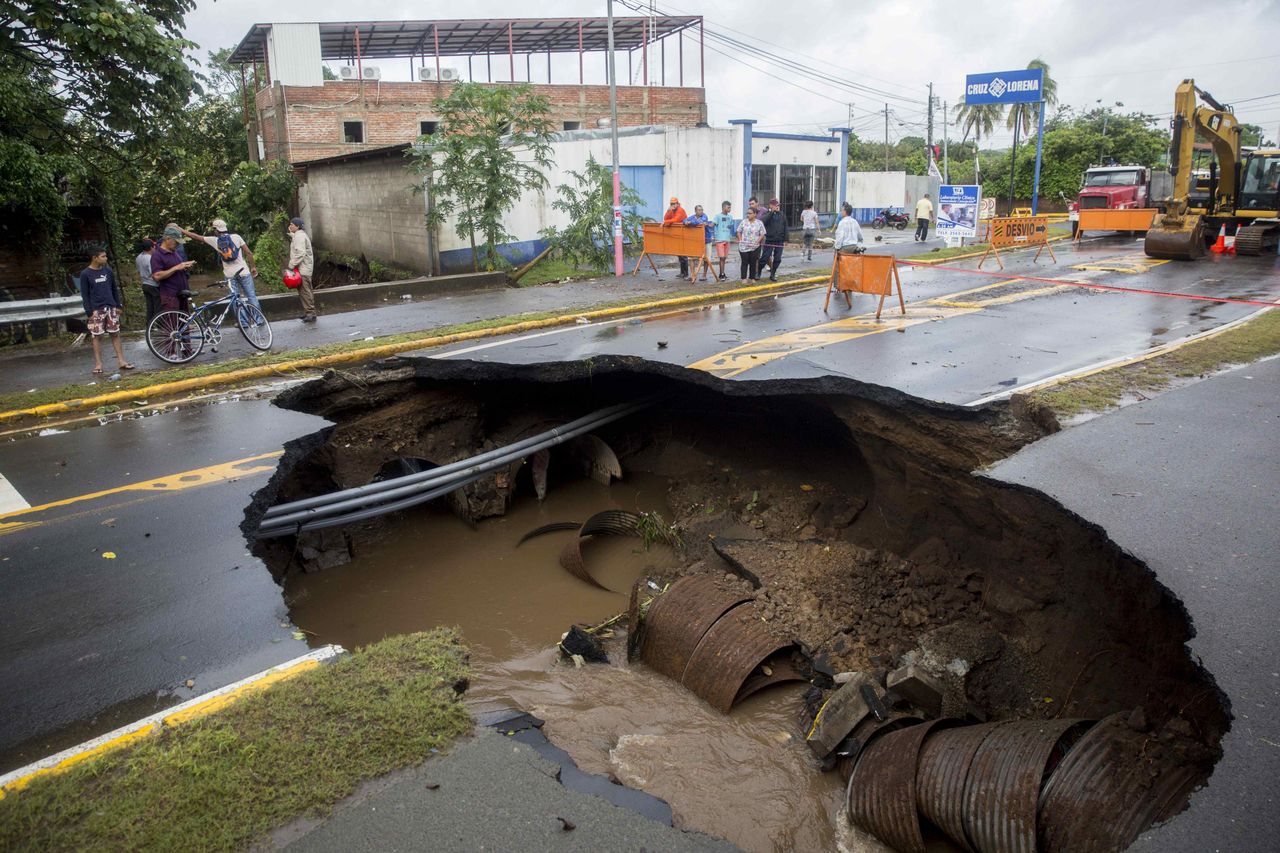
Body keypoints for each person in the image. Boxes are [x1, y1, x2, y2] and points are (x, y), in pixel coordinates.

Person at [180, 218, 261, 316]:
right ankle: (259, 319)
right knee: (251, 296)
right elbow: (249, 253)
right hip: (244, 272)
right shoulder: (236, 237)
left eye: (214, 229)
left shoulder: (215, 240)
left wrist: (181, 230)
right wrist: (253, 268)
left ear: (216, 230)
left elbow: (196, 236)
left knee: (235, 299)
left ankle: (242, 323)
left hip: (229, 275)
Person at [78, 247, 134, 375]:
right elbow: (85, 295)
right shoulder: (85, 274)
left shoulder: (108, 271)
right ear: (95, 258)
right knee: (96, 336)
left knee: (115, 333)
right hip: (96, 309)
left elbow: (114, 289)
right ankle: (98, 364)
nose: (106, 258)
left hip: (111, 307)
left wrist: (118, 305)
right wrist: (89, 312)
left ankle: (121, 361)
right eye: (103, 256)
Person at [150, 226, 197, 312]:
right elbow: (156, 276)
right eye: (176, 242)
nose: (178, 244)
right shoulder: (157, 255)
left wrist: (186, 267)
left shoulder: (174, 252)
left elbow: (179, 268)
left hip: (182, 293)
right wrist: (176, 268)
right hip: (170, 295)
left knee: (184, 322)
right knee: (173, 323)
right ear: (168, 239)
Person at [831, 203, 866, 292]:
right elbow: (860, 236)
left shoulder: (842, 222)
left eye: (842, 210)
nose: (841, 212)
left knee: (838, 266)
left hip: (845, 247)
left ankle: (838, 285)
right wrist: (859, 242)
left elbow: (840, 237)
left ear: (845, 212)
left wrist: (837, 248)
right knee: (851, 266)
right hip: (854, 247)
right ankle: (850, 285)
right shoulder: (855, 221)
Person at [287, 217, 316, 322]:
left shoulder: (299, 237)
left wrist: (291, 265)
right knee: (305, 290)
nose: (290, 226)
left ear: (297, 226)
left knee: (305, 291)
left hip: (303, 269)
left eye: (292, 225)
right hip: (304, 268)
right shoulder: (299, 236)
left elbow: (300, 253)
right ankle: (309, 312)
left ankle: (310, 313)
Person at [135, 238, 161, 326]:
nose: (155, 248)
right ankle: (159, 324)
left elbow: (139, 270)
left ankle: (149, 324)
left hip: (145, 284)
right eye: (154, 246)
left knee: (150, 306)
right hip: (153, 285)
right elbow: (154, 274)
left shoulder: (138, 257)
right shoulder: (150, 258)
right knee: (158, 306)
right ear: (151, 248)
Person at [759, 198, 788, 281]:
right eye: (775, 205)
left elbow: (785, 227)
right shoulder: (767, 214)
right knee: (765, 257)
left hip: (779, 240)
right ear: (771, 205)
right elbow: (763, 221)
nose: (777, 207)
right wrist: (772, 212)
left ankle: (773, 273)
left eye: (778, 205)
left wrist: (786, 239)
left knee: (778, 258)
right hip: (769, 239)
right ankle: (759, 272)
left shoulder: (782, 215)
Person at [735, 206, 766, 282]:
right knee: (744, 262)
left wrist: (757, 241)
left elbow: (762, 233)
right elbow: (738, 231)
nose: (748, 215)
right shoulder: (744, 222)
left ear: (755, 214)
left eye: (750, 213)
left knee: (753, 262)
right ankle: (744, 278)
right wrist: (740, 240)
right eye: (747, 213)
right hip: (744, 247)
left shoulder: (759, 223)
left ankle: (752, 278)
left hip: (755, 247)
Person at [684, 204, 712, 282]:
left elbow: (699, 222)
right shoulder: (692, 217)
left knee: (707, 259)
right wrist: (686, 222)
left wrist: (690, 222)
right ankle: (693, 275)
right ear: (695, 211)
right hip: (696, 241)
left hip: (706, 240)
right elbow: (684, 220)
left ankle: (704, 275)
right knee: (691, 258)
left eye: (702, 210)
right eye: (699, 210)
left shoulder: (704, 216)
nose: (701, 211)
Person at [662, 196, 689, 278]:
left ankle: (686, 273)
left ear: (677, 204)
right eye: (671, 204)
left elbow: (675, 220)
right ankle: (682, 273)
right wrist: (668, 211)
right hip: (677, 234)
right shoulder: (671, 210)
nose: (673, 205)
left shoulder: (680, 210)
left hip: (683, 234)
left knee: (683, 255)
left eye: (674, 203)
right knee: (679, 254)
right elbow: (666, 218)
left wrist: (665, 222)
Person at [711, 201, 735, 282]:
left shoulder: (730, 217)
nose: (730, 209)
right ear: (724, 207)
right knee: (721, 258)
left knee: (724, 258)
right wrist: (707, 225)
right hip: (720, 240)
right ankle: (721, 275)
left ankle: (723, 273)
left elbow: (731, 226)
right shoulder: (717, 216)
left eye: (730, 207)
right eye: (728, 207)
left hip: (727, 240)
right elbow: (712, 225)